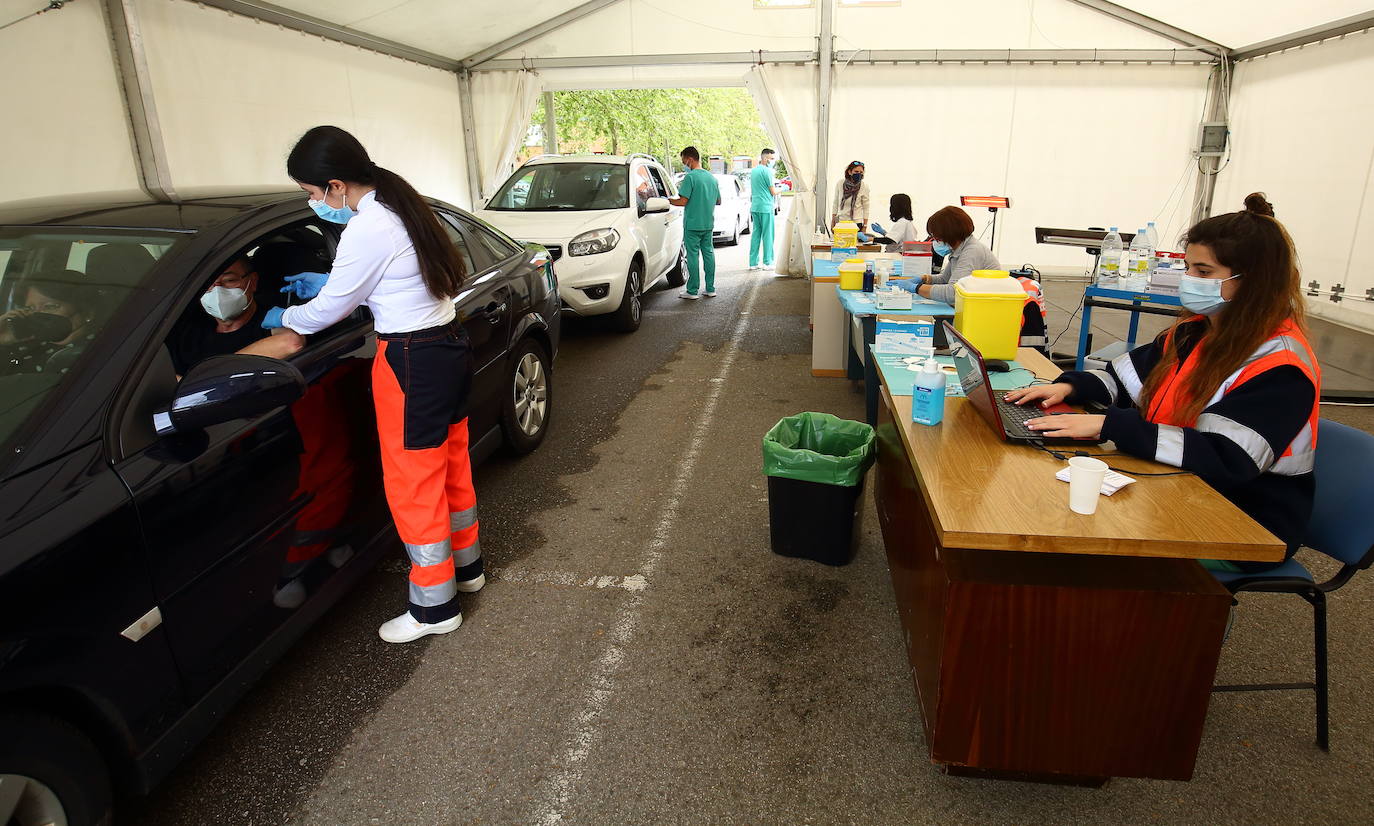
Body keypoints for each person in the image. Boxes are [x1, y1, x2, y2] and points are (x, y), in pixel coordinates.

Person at [1006, 193, 1320, 568]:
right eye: (1187, 267)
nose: (1188, 280)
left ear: (1253, 281)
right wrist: (1070, 386)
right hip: (1178, 483)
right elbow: (1123, 380)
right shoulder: (1193, 333)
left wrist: (1110, 425)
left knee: (1083, 546)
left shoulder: (1280, 366)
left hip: (1244, 519)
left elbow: (1225, 458)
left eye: (1203, 273)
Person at [263, 124, 479, 643]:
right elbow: (396, 278)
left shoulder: (367, 227)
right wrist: (346, 289)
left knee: (413, 483)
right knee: (451, 465)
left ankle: (434, 607)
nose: (314, 202)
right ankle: (467, 571)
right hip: (445, 345)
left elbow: (329, 310)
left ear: (336, 185)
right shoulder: (401, 204)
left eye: (312, 193)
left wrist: (287, 315)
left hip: (409, 360)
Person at [168, 253, 304, 375]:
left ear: (253, 281)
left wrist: (202, 379)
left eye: (230, 280)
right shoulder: (187, 325)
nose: (217, 290)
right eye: (208, 283)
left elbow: (292, 343)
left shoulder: (271, 319)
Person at [0, 273, 100, 375]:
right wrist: (2, 339)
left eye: (50, 307)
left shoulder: (95, 354)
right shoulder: (29, 343)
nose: (37, 314)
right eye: (30, 308)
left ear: (87, 312)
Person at [668, 146, 721, 299]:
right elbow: (718, 201)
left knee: (692, 256)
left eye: (684, 160)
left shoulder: (690, 178)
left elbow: (682, 201)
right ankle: (710, 288)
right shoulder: (712, 178)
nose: (684, 163)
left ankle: (692, 290)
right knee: (709, 254)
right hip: (708, 223)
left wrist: (668, 200)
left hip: (692, 224)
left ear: (690, 159)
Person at [748, 149, 778, 270]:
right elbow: (773, 191)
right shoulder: (767, 172)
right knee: (768, 235)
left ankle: (753, 263)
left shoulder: (754, 171)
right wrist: (784, 188)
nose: (772, 161)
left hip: (755, 207)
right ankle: (767, 262)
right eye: (771, 159)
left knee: (756, 234)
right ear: (765, 158)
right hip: (766, 207)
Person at [831, 160, 870, 232]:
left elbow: (866, 208)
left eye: (861, 172)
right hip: (841, 221)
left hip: (856, 223)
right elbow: (835, 203)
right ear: (849, 172)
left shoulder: (864, 186)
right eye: (856, 172)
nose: (859, 174)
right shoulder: (840, 183)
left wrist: (865, 226)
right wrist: (833, 221)